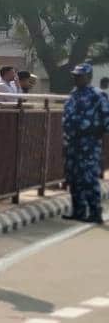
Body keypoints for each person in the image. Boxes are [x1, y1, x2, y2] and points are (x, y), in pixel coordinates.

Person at [61, 63, 108, 224]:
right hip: (72, 142)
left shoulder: (97, 95)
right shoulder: (74, 94)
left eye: (79, 76)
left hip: (89, 143)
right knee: (73, 177)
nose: (76, 78)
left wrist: (98, 135)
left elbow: (106, 119)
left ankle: (95, 212)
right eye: (75, 76)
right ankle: (79, 210)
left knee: (88, 178)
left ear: (88, 77)